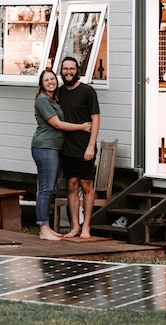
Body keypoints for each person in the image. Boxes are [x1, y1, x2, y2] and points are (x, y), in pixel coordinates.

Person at [31, 69, 92, 241]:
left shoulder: (53, 99)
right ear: (41, 84)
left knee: (48, 188)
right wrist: (82, 127)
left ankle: (47, 227)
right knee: (45, 188)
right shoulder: (42, 100)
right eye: (46, 80)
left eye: (52, 79)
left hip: (54, 149)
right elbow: (57, 124)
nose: (50, 82)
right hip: (44, 148)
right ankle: (43, 228)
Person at [58, 56, 101, 239]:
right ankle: (75, 227)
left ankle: (86, 227)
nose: (68, 72)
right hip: (66, 148)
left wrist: (91, 146)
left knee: (87, 186)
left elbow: (96, 119)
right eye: (65, 69)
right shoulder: (59, 92)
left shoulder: (87, 91)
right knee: (71, 186)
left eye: (72, 69)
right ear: (61, 71)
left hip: (85, 147)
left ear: (78, 71)